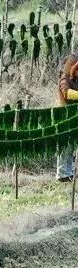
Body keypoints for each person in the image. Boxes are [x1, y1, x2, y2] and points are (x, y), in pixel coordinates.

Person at [56, 53, 78, 181]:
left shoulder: (76, 81)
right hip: (64, 116)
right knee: (65, 145)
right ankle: (63, 174)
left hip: (74, 116)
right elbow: (67, 93)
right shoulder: (64, 80)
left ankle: (69, 172)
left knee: (72, 145)